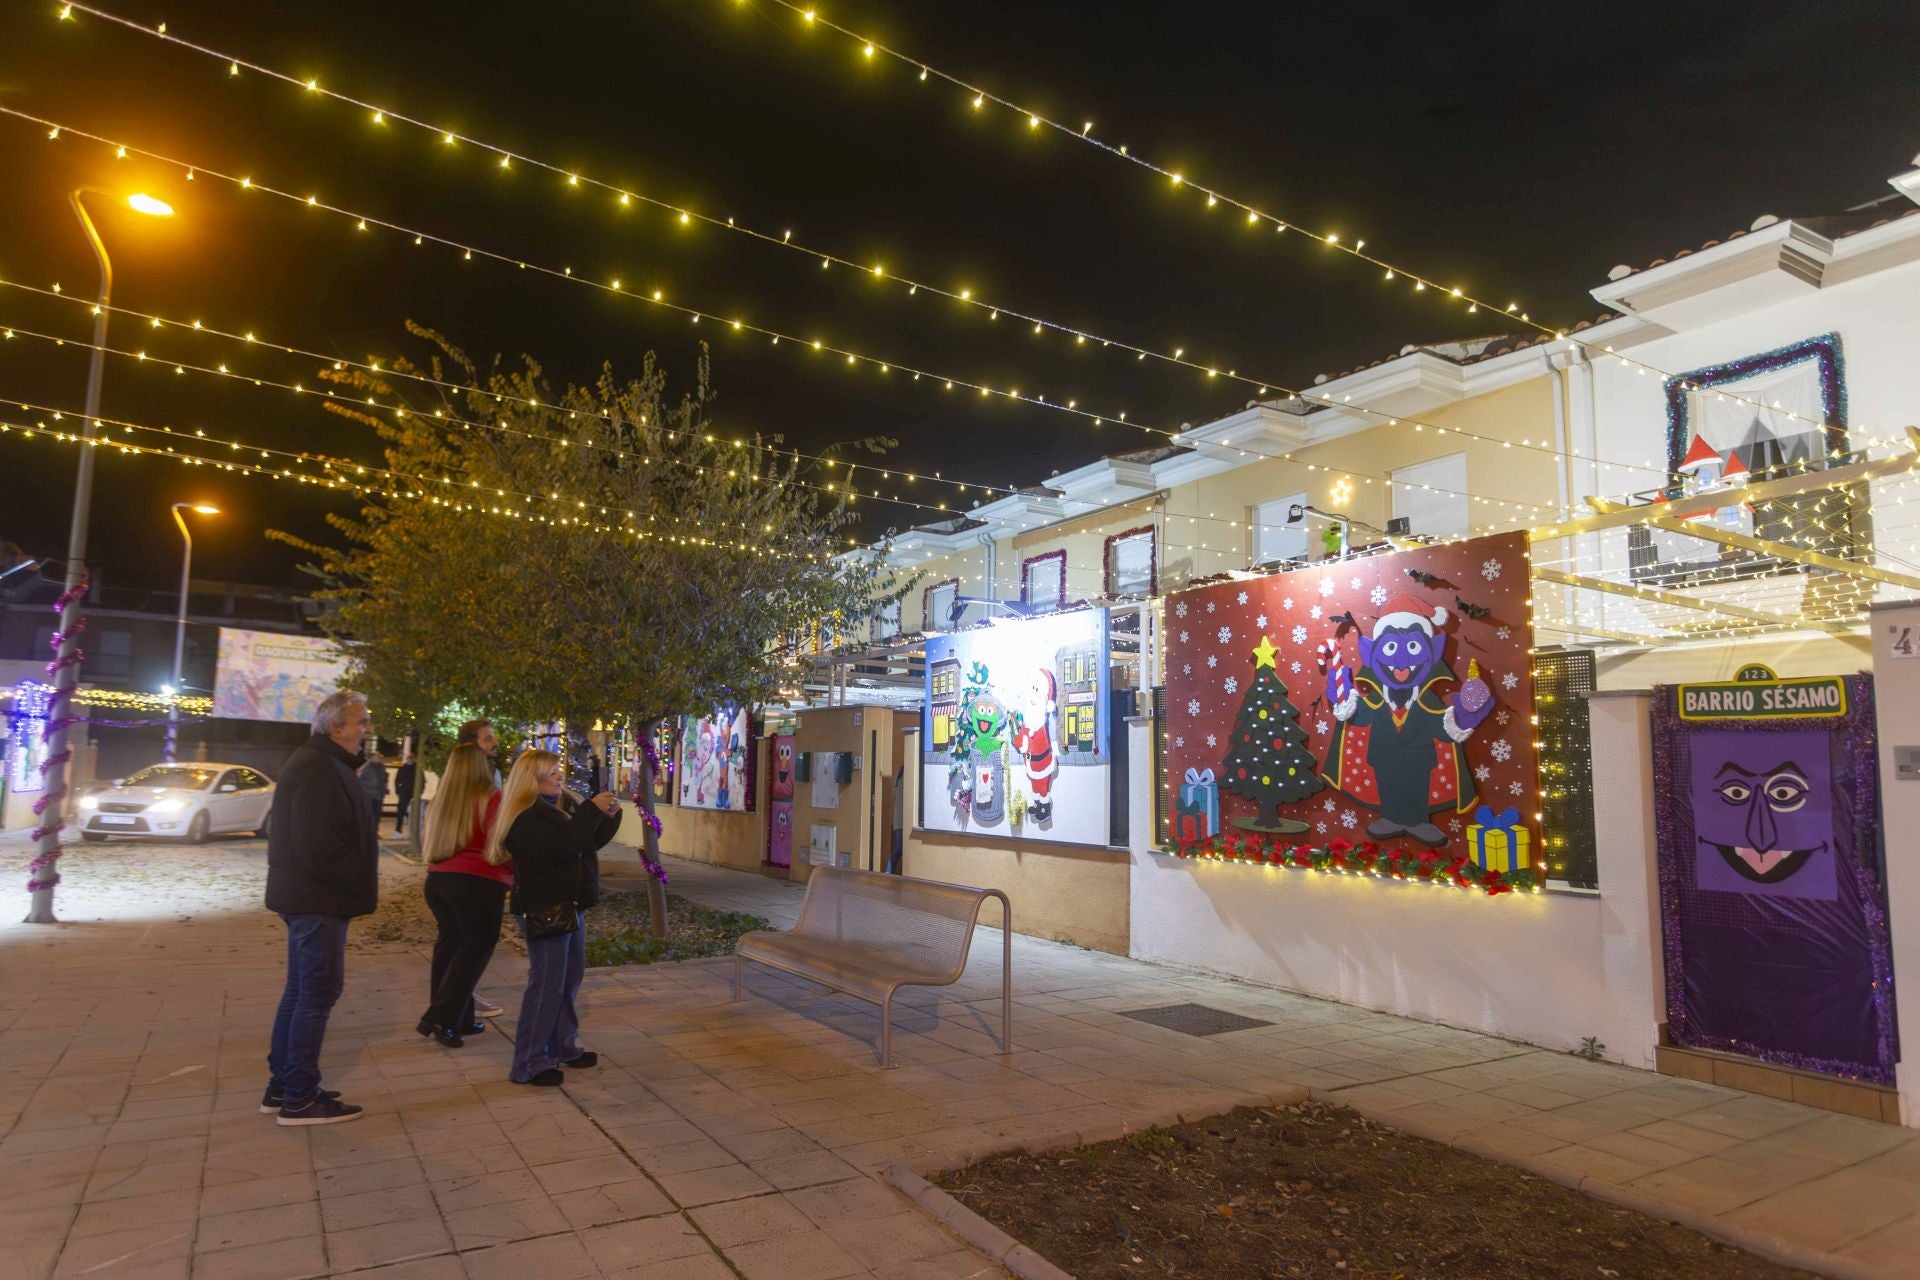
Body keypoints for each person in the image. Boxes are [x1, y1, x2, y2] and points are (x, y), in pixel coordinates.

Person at [262, 689, 378, 1126]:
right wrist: (355, 880)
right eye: (361, 721)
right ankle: (299, 1098)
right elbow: (320, 845)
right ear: (336, 728)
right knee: (316, 995)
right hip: (318, 902)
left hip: (311, 899)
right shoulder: (318, 768)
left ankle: (285, 1086)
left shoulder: (323, 763)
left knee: (301, 993)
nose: (366, 728)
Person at [487, 750, 620, 1087]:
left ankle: (562, 1046)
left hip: (568, 904)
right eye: (550, 774)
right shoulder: (527, 818)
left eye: (558, 772)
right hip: (546, 908)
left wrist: (608, 816)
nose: (559, 777)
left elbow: (583, 844)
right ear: (531, 781)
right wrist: (592, 809)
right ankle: (529, 1063)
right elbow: (564, 847)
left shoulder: (555, 812)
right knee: (546, 985)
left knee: (569, 978)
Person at [417, 744, 505, 1048]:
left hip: (439, 879)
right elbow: (498, 843)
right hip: (477, 881)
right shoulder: (492, 797)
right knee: (474, 949)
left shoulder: (443, 800)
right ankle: (440, 1017)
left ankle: (459, 1019)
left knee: (451, 946)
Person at [359, 750, 388, 825]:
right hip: (368, 794)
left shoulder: (381, 766)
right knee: (368, 814)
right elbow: (360, 774)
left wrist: (384, 789)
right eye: (376, 756)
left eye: (378, 756)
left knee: (377, 814)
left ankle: (374, 831)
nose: (378, 758)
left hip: (378, 794)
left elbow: (384, 779)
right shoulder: (367, 766)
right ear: (372, 757)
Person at [393, 752, 418, 836]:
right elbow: (397, 780)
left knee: (409, 813)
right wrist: (398, 790)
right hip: (405, 793)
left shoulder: (415, 769)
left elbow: (397, 780)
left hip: (411, 793)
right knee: (402, 812)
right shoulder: (406, 769)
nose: (409, 760)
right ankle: (399, 830)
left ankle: (404, 831)